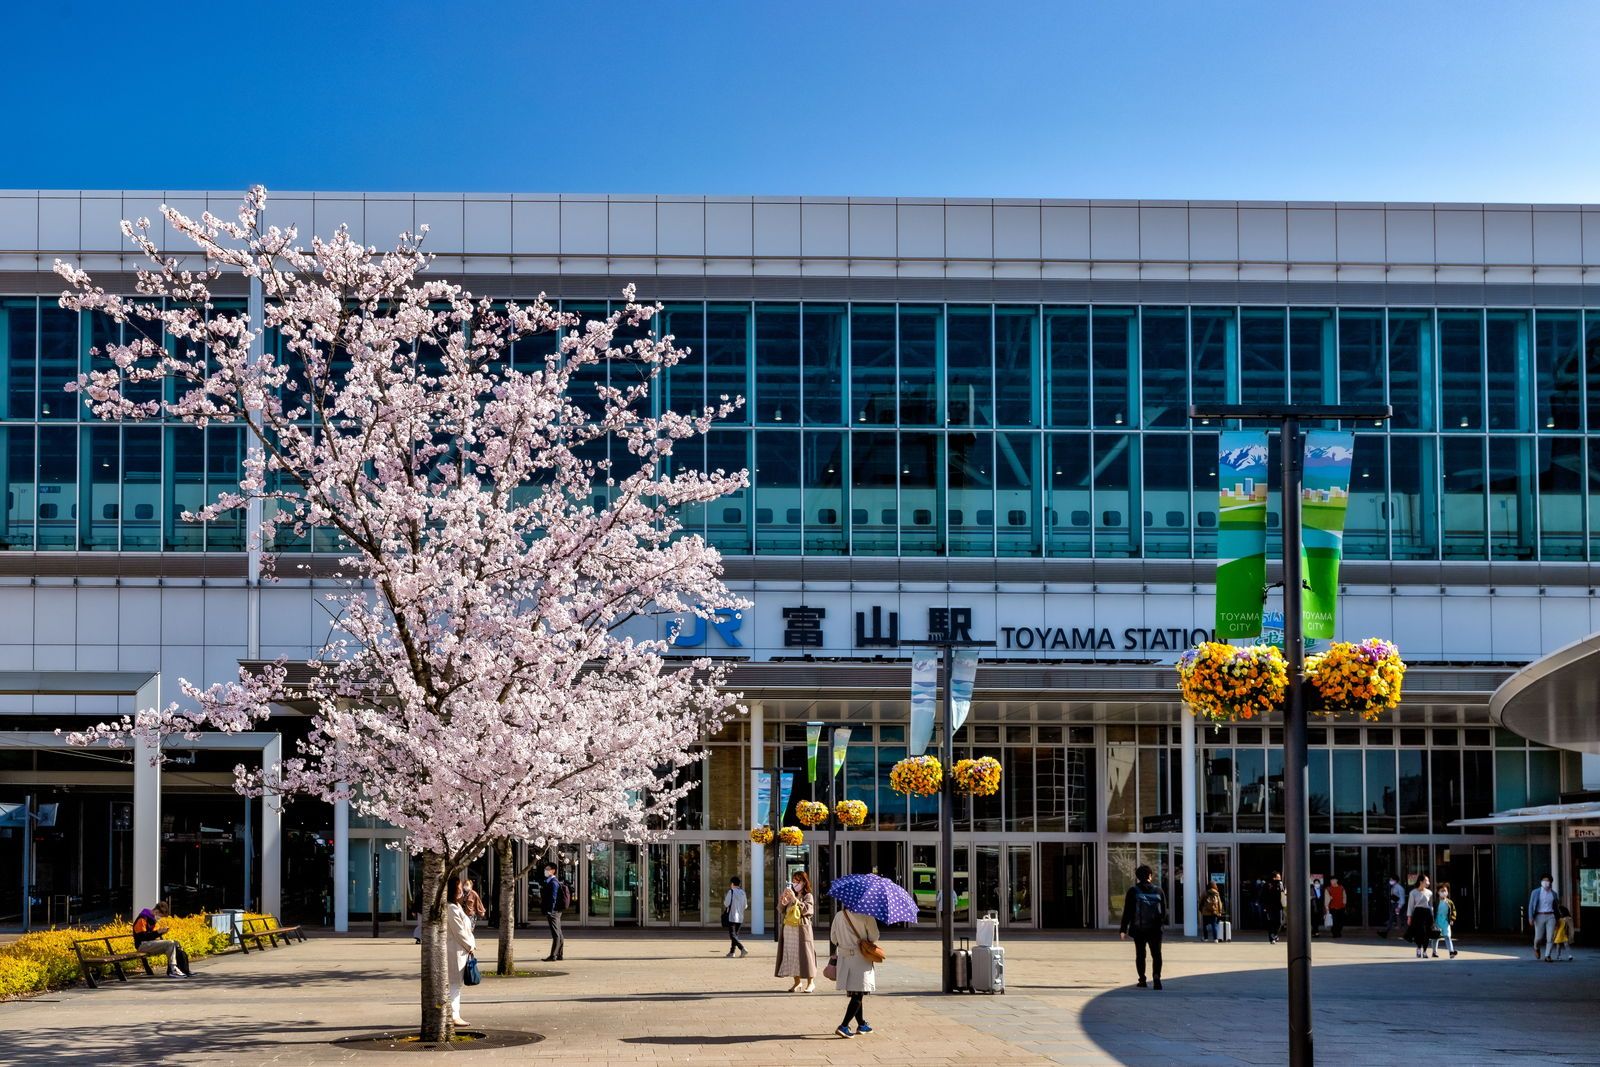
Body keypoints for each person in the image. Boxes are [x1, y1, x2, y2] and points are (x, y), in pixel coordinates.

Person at [828, 904, 881, 1038]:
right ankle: (844, 1026)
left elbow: (833, 938)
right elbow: (874, 936)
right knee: (858, 994)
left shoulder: (839, 915)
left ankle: (862, 1024)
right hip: (860, 957)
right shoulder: (867, 916)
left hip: (844, 958)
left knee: (856, 992)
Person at [1118, 864, 1167, 989]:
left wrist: (1123, 929)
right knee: (1156, 954)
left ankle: (1142, 979)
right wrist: (1160, 925)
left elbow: (1127, 912)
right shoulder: (1158, 890)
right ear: (1150, 875)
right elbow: (1164, 912)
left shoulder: (1133, 891)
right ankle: (1157, 977)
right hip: (1155, 930)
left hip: (1139, 929)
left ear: (1138, 877)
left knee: (1140, 954)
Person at [775, 870, 817, 992]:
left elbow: (807, 910)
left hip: (802, 930)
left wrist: (795, 900)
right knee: (792, 956)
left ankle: (811, 983)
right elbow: (782, 910)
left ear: (804, 882)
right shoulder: (792, 894)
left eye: (797, 881)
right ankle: (797, 982)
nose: (795, 884)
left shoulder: (808, 896)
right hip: (789, 930)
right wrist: (783, 902)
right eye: (793, 881)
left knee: (806, 956)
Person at [445, 873, 476, 1027]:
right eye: (458, 887)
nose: (461, 890)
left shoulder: (456, 906)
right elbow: (459, 932)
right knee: (454, 984)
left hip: (461, 949)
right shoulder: (451, 908)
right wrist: (470, 946)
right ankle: (453, 1015)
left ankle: (454, 1013)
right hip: (456, 949)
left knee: (456, 984)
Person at [131, 901, 192, 978]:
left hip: (149, 943)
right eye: (161, 916)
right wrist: (158, 932)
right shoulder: (142, 919)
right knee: (170, 943)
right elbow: (142, 937)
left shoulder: (151, 919)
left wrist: (160, 932)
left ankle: (183, 969)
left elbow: (151, 935)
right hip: (142, 945)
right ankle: (173, 969)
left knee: (175, 943)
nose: (160, 918)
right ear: (156, 912)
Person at [1528, 874, 1559, 961]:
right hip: (1539, 916)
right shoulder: (1535, 892)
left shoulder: (1554, 894)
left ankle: (1547, 955)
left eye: (1547, 880)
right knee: (1539, 937)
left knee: (1550, 937)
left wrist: (1557, 918)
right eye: (1543, 880)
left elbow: (1556, 907)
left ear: (1550, 882)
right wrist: (1530, 917)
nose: (1545, 882)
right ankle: (1536, 948)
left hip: (1551, 916)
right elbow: (1531, 905)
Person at [1405, 874, 1435, 959]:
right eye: (1426, 881)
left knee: (1427, 932)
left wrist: (1432, 914)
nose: (1428, 883)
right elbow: (1410, 905)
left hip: (1427, 913)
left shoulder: (1429, 892)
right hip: (1418, 913)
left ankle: (1425, 951)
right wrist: (1409, 917)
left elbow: (1431, 905)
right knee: (1419, 932)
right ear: (1421, 882)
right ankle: (1418, 948)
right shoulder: (1413, 892)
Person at [541, 862, 566, 962]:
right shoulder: (551, 881)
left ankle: (553, 955)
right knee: (559, 932)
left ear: (553, 870)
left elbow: (553, 898)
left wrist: (550, 910)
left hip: (554, 911)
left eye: (547, 869)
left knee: (556, 933)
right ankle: (559, 954)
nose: (545, 871)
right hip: (556, 911)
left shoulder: (553, 882)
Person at [722, 876, 748, 958]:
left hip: (732, 916)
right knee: (735, 935)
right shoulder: (743, 893)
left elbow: (726, 904)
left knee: (732, 935)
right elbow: (745, 906)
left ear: (732, 883)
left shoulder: (731, 892)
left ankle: (742, 948)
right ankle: (732, 952)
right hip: (740, 917)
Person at [1434, 882, 1458, 958]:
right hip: (1437, 922)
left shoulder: (1450, 902)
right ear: (1438, 892)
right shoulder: (1436, 902)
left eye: (1445, 891)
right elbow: (1432, 911)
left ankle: (1451, 952)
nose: (1444, 892)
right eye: (1442, 891)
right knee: (1435, 937)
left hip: (1446, 922)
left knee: (1447, 936)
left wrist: (1452, 919)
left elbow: (1453, 911)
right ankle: (1434, 952)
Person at [1263, 873, 1285, 944]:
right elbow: (1263, 896)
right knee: (1271, 922)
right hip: (1270, 907)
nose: (1279, 879)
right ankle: (1272, 938)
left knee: (1279, 922)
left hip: (1279, 906)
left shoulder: (1280, 884)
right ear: (1274, 878)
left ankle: (1275, 934)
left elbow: (1283, 894)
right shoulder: (1267, 885)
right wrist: (1265, 907)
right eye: (1278, 877)